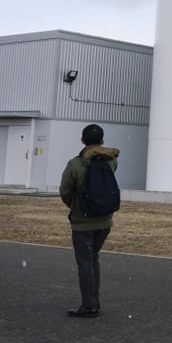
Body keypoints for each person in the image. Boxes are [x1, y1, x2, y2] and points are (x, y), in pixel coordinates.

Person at [59, 123, 120, 318]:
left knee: (85, 262)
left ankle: (89, 305)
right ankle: (95, 300)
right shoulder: (111, 161)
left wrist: (77, 207)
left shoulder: (75, 164)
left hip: (82, 221)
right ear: (102, 140)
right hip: (105, 220)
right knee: (93, 259)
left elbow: (65, 191)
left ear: (82, 140)